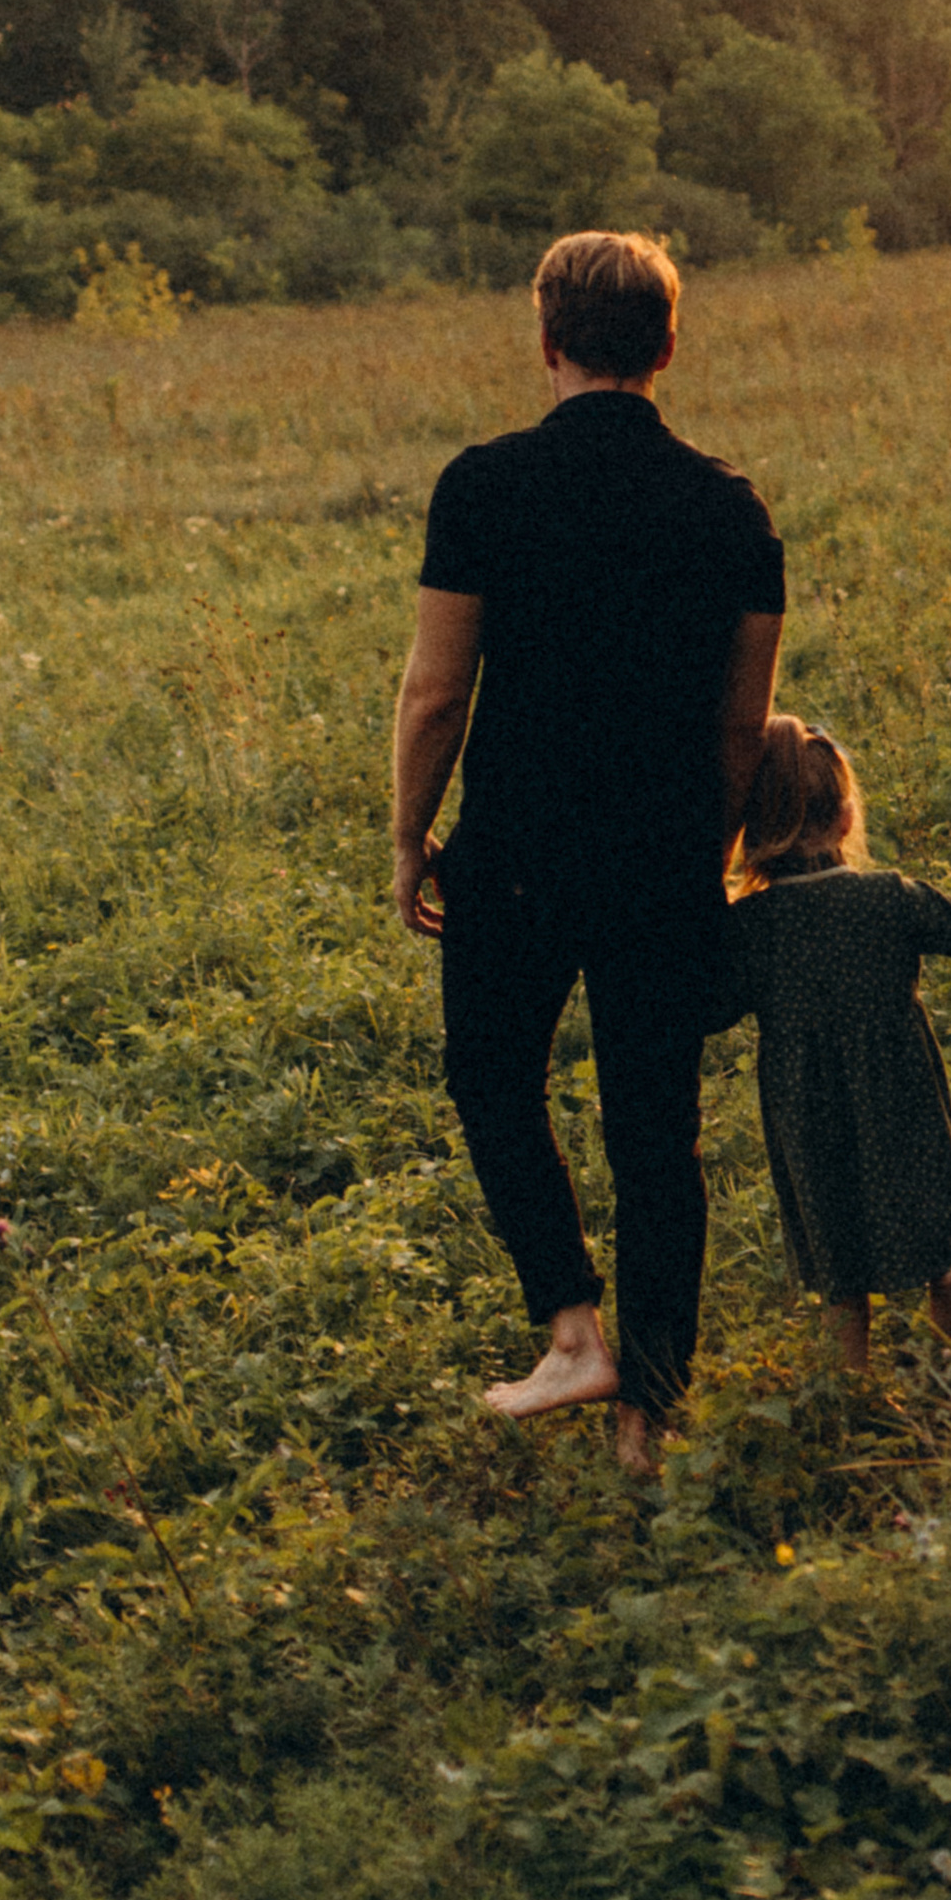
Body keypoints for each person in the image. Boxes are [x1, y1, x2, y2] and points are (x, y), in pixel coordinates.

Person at [391, 230, 784, 1478]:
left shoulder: (484, 486)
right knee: (656, 1129)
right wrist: (707, 848)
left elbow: (436, 694)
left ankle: (573, 1333)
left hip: (513, 848)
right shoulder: (730, 506)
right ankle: (645, 1418)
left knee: (492, 1077)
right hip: (663, 854)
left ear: (547, 339)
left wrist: (408, 835)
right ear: (667, 345)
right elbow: (742, 723)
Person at [715, 715, 951, 1371]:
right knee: (936, 1260)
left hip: (807, 1114)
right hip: (900, 1100)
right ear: (845, 819)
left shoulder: (750, 926)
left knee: (840, 1273)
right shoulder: (887, 898)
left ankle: (854, 1394)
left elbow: (707, 1005)